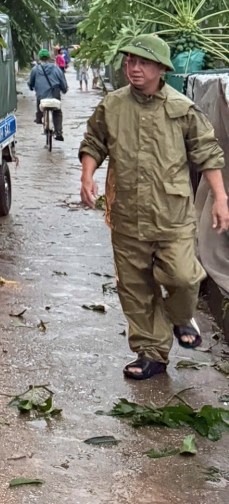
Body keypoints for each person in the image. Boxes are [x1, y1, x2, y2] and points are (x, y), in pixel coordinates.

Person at [79, 34, 229, 381]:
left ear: (162, 68)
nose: (134, 68)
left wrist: (221, 198)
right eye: (130, 61)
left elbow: (207, 153)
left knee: (183, 277)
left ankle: (180, 316)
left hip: (172, 216)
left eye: (144, 62)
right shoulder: (112, 106)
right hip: (126, 215)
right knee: (135, 288)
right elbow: (94, 142)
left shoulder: (181, 109)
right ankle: (151, 353)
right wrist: (87, 176)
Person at [28, 48, 68, 140]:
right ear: (49, 58)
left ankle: (39, 118)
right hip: (55, 95)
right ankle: (58, 132)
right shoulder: (56, 69)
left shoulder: (35, 69)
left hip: (41, 96)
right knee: (57, 112)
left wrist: (31, 87)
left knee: (39, 101)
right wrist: (64, 90)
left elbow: (31, 82)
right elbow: (62, 82)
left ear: (39, 58)